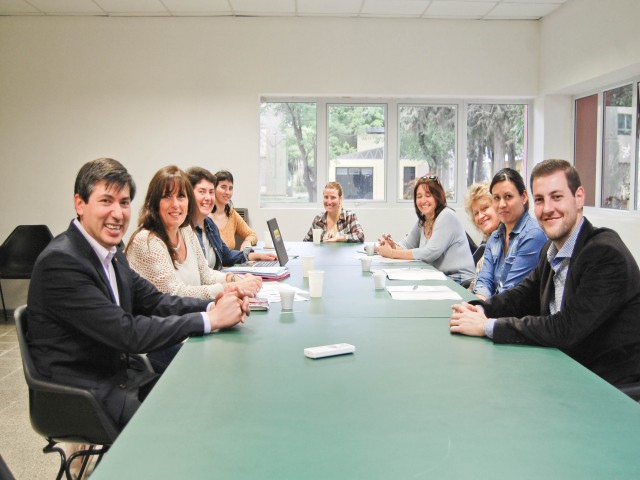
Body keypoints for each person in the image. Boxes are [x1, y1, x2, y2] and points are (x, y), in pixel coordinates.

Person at [26, 158, 252, 431]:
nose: (118, 213)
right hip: (81, 392)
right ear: (80, 203)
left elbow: (156, 300)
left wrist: (213, 304)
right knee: (190, 419)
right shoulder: (62, 262)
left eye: (123, 203)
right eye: (106, 201)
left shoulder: (111, 252)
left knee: (204, 394)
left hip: (119, 373)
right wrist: (211, 320)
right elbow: (127, 333)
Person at [450, 159, 640, 388]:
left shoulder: (605, 253)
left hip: (609, 386)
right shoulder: (550, 250)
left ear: (579, 197)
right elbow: (523, 295)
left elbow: (566, 328)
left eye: (557, 197)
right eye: (540, 199)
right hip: (564, 370)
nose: (547, 208)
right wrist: (479, 308)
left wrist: (486, 326)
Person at [126, 166, 261, 300]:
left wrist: (235, 279)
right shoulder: (146, 241)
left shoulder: (185, 231)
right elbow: (174, 293)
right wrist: (231, 288)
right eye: (167, 196)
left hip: (190, 315)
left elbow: (205, 275)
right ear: (155, 203)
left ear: (188, 201)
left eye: (181, 196)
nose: (176, 204)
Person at [377, 175, 475, 286]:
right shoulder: (424, 220)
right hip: (439, 276)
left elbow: (429, 253)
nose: (423, 200)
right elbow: (407, 244)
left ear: (437, 197)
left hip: (460, 279)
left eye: (428, 195)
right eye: (419, 196)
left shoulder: (447, 216)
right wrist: (392, 246)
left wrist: (392, 253)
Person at [472, 168, 547, 300]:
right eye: (496, 198)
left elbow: (511, 291)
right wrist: (476, 306)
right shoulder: (494, 237)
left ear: (523, 197)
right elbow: (484, 281)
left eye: (508, 196)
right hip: (495, 309)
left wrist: (481, 311)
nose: (501, 204)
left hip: (518, 316)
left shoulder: (533, 235)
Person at [187, 166, 277, 269]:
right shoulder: (185, 230)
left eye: (210, 192)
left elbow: (226, 255)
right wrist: (231, 280)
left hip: (220, 278)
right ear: (189, 194)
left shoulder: (209, 224)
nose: (208, 197)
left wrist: (257, 256)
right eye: (202, 191)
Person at [464, 183, 501, 291]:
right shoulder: (491, 240)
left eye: (485, 208)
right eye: (476, 213)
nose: (480, 216)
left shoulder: (506, 240)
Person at [210, 170, 258, 250]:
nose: (227, 192)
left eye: (230, 188)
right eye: (223, 187)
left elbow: (252, 235)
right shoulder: (204, 216)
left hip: (230, 261)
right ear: (213, 188)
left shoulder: (231, 214)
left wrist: (247, 241)